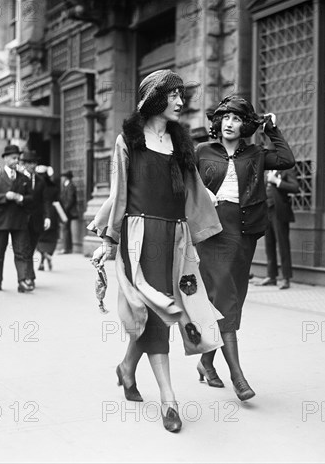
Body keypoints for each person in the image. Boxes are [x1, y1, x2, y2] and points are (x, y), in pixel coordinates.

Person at [88, 69, 224, 433]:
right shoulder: (127, 141)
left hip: (176, 239)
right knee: (157, 311)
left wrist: (209, 214)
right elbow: (118, 195)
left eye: (182, 95)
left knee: (164, 310)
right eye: (174, 95)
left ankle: (127, 368)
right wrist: (108, 241)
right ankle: (169, 399)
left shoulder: (182, 144)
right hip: (140, 238)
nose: (181, 102)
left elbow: (193, 190)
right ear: (154, 99)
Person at [195, 95, 295, 400]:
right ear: (218, 122)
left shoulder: (255, 153)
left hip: (244, 230)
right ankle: (238, 378)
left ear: (245, 126)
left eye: (236, 118)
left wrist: (271, 129)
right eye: (225, 117)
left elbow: (287, 159)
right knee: (225, 296)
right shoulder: (201, 151)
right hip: (212, 230)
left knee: (230, 299)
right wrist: (202, 195)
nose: (229, 123)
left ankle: (206, 362)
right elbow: (182, 182)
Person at [0, 144, 33, 293]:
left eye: (17, 158)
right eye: (13, 158)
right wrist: (5, 197)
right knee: (0, 253)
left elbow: (31, 198)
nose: (16, 160)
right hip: (1, 221)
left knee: (20, 252)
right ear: (5, 158)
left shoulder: (24, 178)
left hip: (19, 221)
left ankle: (22, 281)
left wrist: (21, 198)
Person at [257, 167, 299, 290]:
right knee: (269, 244)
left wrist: (277, 181)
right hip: (266, 210)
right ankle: (271, 276)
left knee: (283, 244)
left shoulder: (287, 170)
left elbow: (295, 187)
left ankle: (286, 278)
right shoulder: (265, 171)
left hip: (279, 211)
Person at [19, 151, 51, 289]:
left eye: (34, 163)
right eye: (30, 163)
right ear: (24, 164)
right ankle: (29, 277)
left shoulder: (40, 180)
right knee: (25, 248)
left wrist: (47, 217)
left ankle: (27, 275)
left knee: (31, 249)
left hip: (37, 221)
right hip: (22, 220)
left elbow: (45, 200)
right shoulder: (19, 179)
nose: (33, 165)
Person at [36, 166, 60, 271]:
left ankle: (42, 259)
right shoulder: (53, 186)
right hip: (52, 214)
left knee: (39, 237)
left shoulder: (37, 185)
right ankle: (48, 254)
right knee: (52, 237)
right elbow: (58, 200)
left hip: (40, 213)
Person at [59, 170, 78, 254]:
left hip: (67, 211)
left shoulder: (70, 186)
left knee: (65, 229)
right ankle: (67, 248)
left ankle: (66, 248)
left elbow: (70, 200)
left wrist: (64, 209)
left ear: (66, 177)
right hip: (65, 210)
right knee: (66, 228)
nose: (62, 178)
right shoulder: (66, 185)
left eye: (63, 176)